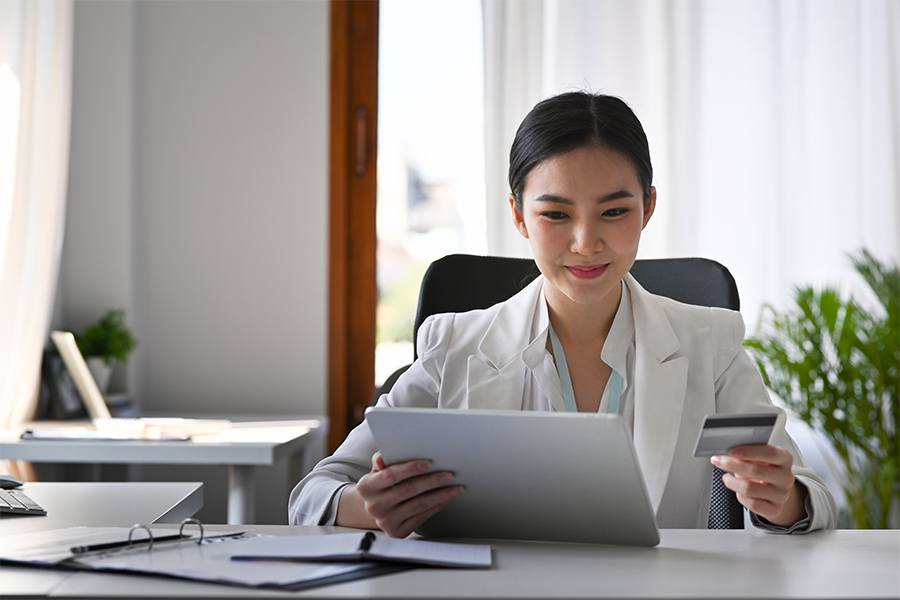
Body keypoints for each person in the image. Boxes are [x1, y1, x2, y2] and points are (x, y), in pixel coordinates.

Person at [289, 92, 837, 537]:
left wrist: (781, 501)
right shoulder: (454, 345)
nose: (585, 242)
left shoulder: (709, 345)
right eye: (555, 213)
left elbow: (813, 500)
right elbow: (313, 494)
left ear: (648, 207)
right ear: (519, 216)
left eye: (615, 211)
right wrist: (365, 507)